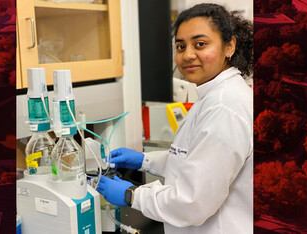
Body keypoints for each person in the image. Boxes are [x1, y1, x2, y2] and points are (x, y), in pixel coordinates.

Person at [96, 3, 253, 233]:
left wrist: (132, 195)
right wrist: (144, 161)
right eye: (181, 46)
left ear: (229, 46)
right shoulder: (214, 94)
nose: (188, 55)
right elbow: (196, 161)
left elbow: (191, 203)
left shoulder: (224, 106)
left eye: (200, 44)